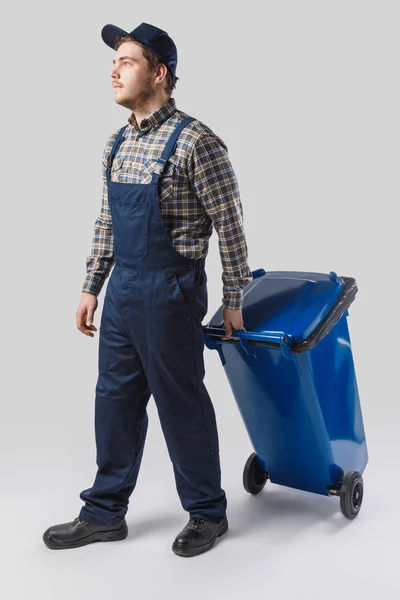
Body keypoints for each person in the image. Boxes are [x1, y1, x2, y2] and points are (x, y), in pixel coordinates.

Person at [42, 22, 253, 557]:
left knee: (180, 402)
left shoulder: (196, 141)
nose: (114, 70)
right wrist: (92, 285)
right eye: (113, 61)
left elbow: (229, 224)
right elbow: (108, 220)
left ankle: (207, 512)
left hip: (171, 291)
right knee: (113, 402)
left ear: (159, 74)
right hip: (122, 293)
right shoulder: (117, 141)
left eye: (128, 61)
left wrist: (235, 300)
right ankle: (105, 512)